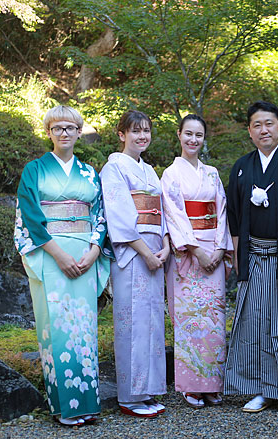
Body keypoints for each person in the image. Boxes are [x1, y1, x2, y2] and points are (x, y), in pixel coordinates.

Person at [14, 105, 112, 426]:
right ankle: (64, 407)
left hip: (84, 254)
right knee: (55, 327)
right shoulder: (35, 169)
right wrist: (58, 254)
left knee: (84, 329)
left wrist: (95, 250)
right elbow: (30, 215)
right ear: (49, 133)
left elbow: (99, 215)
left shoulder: (89, 172)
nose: (64, 133)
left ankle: (87, 404)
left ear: (79, 132)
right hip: (51, 254)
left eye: (70, 128)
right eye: (57, 128)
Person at [224, 101, 278, 413]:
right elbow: (233, 215)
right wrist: (236, 255)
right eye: (257, 125)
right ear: (250, 131)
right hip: (253, 253)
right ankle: (259, 388)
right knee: (254, 321)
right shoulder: (242, 167)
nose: (264, 130)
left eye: (269, 123)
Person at [100, 111, 169, 418]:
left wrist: (166, 245)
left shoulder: (150, 171)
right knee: (132, 325)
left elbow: (161, 212)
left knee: (153, 323)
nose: (142, 136)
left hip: (155, 251)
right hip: (133, 253)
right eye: (135, 131)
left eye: (146, 131)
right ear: (121, 134)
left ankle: (150, 390)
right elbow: (119, 216)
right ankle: (130, 396)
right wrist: (146, 253)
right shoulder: (113, 168)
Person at [161, 114, 233, 408]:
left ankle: (212, 384)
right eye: (188, 134)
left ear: (204, 139)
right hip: (188, 254)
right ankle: (192, 385)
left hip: (213, 251)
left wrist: (219, 249)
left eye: (199, 135)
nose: (193, 140)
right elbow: (174, 214)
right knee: (190, 320)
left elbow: (222, 211)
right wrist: (197, 250)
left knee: (214, 320)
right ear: (179, 135)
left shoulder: (212, 173)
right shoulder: (170, 174)